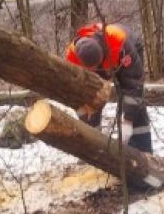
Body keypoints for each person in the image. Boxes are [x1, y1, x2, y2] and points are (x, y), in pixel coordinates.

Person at [65, 23, 153, 155]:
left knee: (133, 100)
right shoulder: (72, 59)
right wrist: (87, 124)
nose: (93, 70)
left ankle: (142, 150)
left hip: (126, 53)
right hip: (102, 60)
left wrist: (128, 120)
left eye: (95, 67)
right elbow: (78, 94)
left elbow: (134, 84)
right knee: (91, 97)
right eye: (90, 69)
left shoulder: (120, 44)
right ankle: (95, 149)